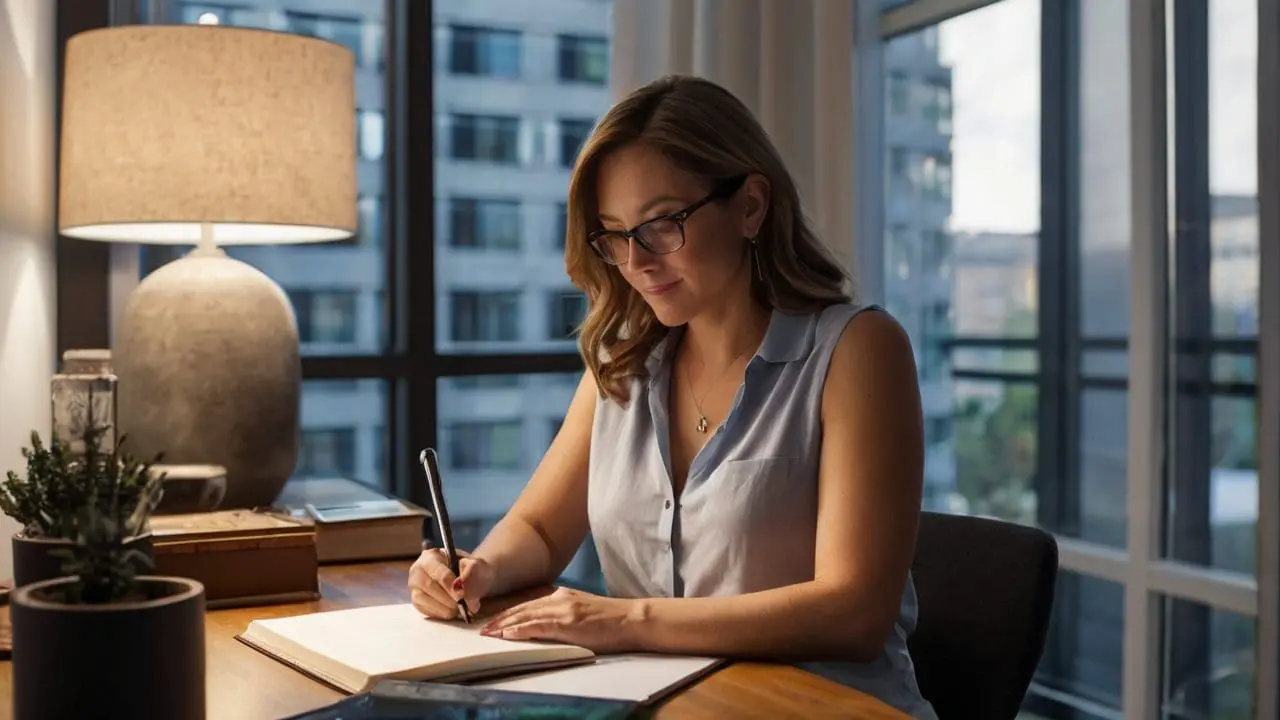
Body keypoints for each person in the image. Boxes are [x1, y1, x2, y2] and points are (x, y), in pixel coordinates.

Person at [408, 75, 937, 719]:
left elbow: (854, 612)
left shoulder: (856, 349)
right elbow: (541, 531)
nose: (636, 263)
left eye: (660, 225)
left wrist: (627, 620)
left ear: (750, 206)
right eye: (614, 235)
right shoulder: (623, 364)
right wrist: (478, 568)